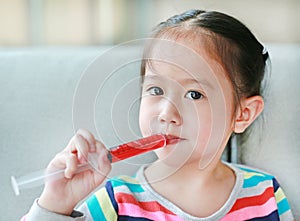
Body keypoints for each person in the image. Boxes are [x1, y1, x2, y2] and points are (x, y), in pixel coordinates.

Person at [22, 9, 294, 220]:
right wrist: (55, 203)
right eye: (155, 89)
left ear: (243, 114)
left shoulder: (266, 194)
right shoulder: (116, 200)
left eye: (194, 95)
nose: (166, 113)